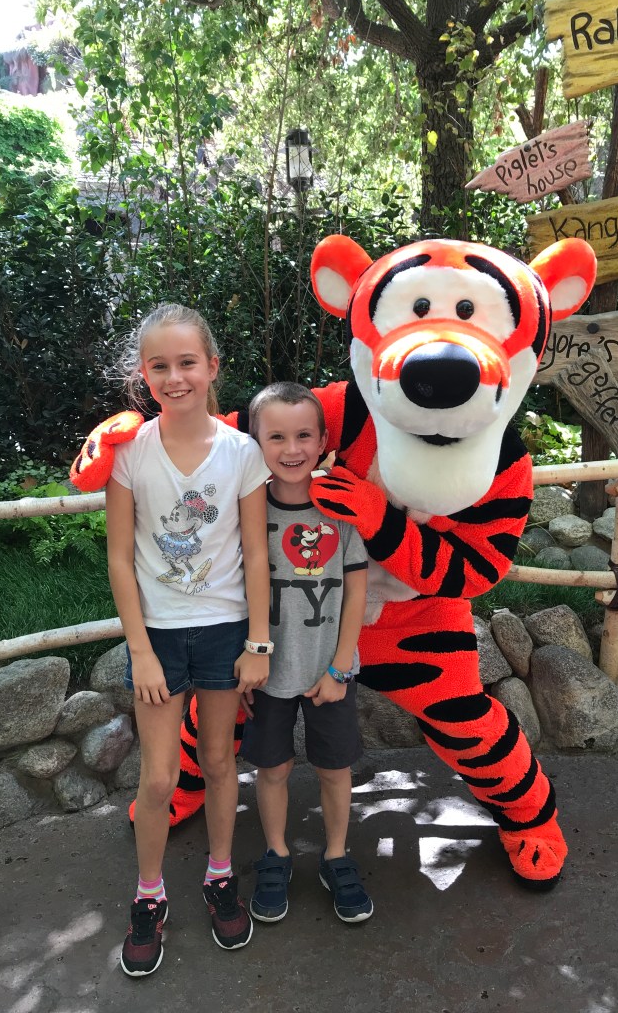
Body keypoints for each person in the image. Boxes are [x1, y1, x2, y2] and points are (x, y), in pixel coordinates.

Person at [106, 303, 271, 976]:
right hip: (160, 639)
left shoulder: (242, 452)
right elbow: (120, 558)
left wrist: (258, 641)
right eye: (160, 366)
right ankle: (149, 895)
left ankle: (220, 875)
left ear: (212, 367)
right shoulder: (130, 453)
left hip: (226, 632)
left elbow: (256, 554)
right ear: (144, 374)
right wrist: (140, 651)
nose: (174, 377)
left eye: (187, 363)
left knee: (221, 761)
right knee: (158, 777)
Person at [239, 382, 373, 925]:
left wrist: (341, 666)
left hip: (328, 671)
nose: (291, 449)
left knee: (335, 769)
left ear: (322, 443)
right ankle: (276, 853)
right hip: (267, 672)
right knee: (271, 769)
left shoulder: (338, 510)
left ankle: (336, 856)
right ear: (255, 443)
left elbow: (357, 590)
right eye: (276, 437)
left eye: (303, 436)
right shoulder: (247, 511)